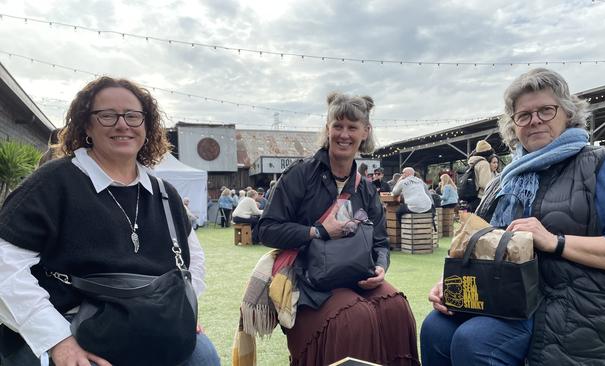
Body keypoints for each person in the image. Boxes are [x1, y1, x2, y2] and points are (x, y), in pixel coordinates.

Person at [420, 68, 605, 366]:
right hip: (507, 296)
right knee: (434, 328)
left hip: (574, 306)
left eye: (546, 110)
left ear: (567, 114)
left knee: (475, 340)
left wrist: (555, 241)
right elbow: (480, 244)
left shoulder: (599, 164)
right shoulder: (505, 178)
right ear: (513, 125)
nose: (535, 120)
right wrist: (449, 283)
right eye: (524, 115)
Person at [0, 76, 220, 365]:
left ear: (146, 125)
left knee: (203, 357)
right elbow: (5, 267)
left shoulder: (165, 195)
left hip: (152, 321)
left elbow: (193, 261)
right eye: (107, 115)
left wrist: (181, 311)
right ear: (86, 125)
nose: (122, 124)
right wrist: (57, 340)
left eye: (133, 115)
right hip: (71, 324)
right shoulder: (53, 184)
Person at [258, 92, 419, 365]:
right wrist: (317, 231)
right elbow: (267, 229)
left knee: (396, 309)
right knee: (353, 318)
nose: (344, 134)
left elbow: (380, 242)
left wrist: (380, 267)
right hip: (307, 279)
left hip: (357, 273)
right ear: (327, 129)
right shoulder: (300, 175)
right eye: (338, 125)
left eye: (352, 127)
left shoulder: (366, 188)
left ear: (365, 132)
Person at [463, 140, 494, 212]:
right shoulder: (484, 164)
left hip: (471, 198)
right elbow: (484, 184)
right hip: (480, 198)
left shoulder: (472, 162)